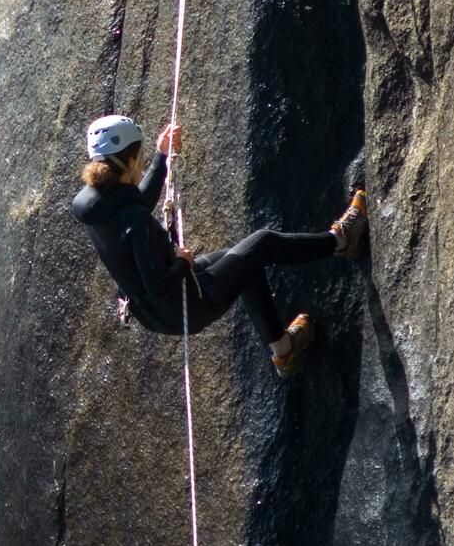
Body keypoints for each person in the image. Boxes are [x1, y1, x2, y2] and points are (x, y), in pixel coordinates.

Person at [71, 114, 367, 377]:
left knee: (242, 262)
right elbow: (159, 283)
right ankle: (341, 240)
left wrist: (162, 158)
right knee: (262, 243)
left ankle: (284, 350)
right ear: (131, 161)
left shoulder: (99, 203)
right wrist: (182, 263)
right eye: (142, 156)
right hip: (185, 303)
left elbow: (137, 205)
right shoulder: (130, 217)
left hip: (157, 311)